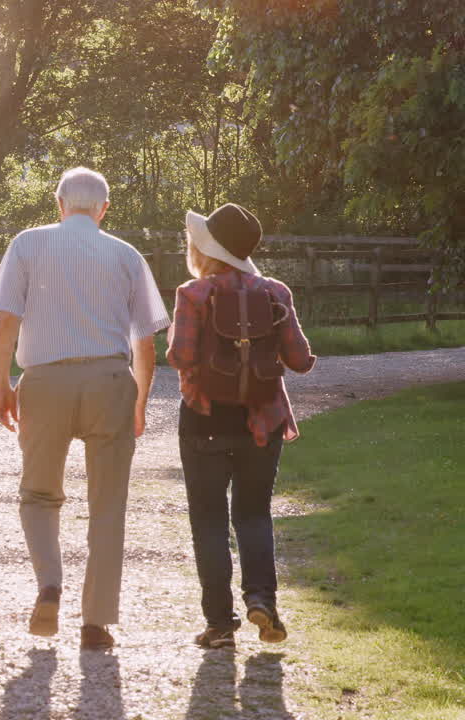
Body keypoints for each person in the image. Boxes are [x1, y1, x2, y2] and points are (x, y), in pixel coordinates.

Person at [0, 167, 170, 650]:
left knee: (39, 494)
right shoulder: (126, 255)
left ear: (59, 204)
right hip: (109, 380)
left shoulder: (28, 244)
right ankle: (96, 622)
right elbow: (146, 342)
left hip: (45, 381)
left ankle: (49, 584)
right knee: (108, 505)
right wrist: (140, 402)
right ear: (104, 209)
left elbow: (6, 324)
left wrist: (1, 384)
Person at [167, 203, 315, 649]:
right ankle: (262, 601)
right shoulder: (275, 292)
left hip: (204, 418)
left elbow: (180, 357)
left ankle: (219, 625)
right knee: (253, 513)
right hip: (263, 420)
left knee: (209, 520)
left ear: (207, 249)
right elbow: (300, 360)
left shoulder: (193, 294)